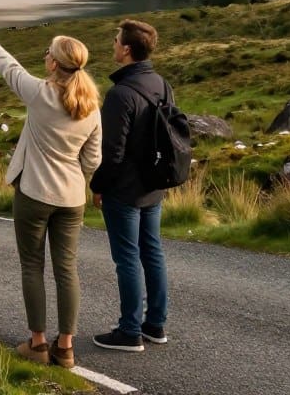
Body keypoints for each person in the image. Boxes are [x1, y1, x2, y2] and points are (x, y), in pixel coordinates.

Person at [0, 18, 101, 369]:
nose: (45, 57)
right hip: (72, 199)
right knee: (67, 269)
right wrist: (81, 181)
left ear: (55, 63)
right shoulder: (90, 107)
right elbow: (93, 159)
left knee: (32, 265)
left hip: (34, 194)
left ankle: (39, 343)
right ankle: (66, 348)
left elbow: (9, 69)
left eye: (48, 53)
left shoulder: (40, 94)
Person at [90, 19, 172, 352]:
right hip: (153, 185)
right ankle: (155, 324)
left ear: (126, 49)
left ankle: (129, 331)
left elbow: (113, 153)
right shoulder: (161, 84)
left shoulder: (120, 94)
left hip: (124, 190)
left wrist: (98, 185)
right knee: (152, 253)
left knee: (127, 258)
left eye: (115, 40)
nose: (112, 44)